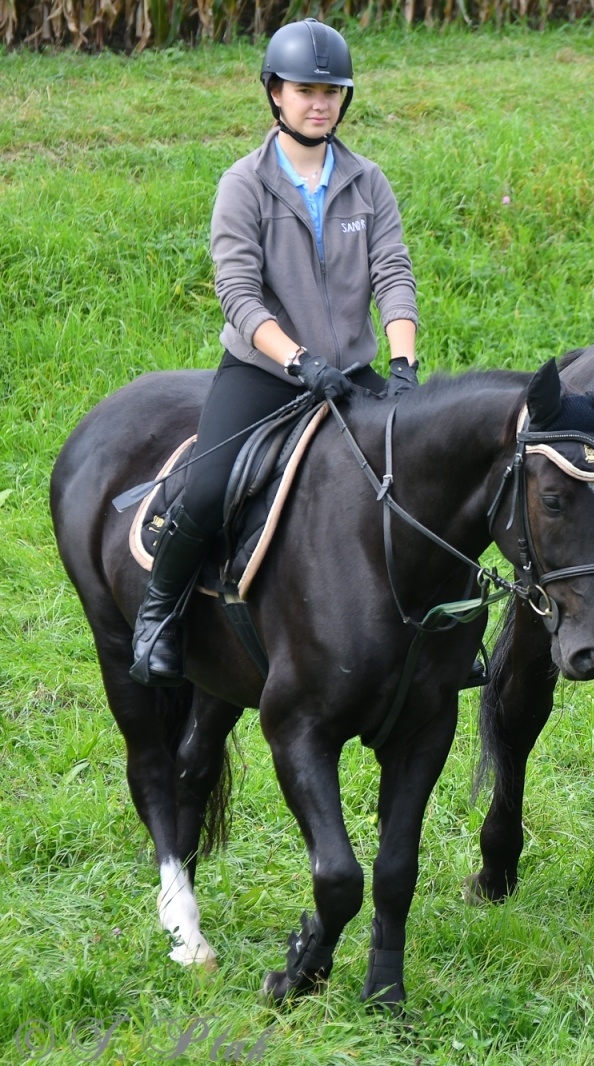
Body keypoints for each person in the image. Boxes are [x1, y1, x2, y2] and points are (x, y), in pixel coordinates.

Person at [129, 18, 421, 686]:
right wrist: (298, 362)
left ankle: (434, 634)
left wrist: (402, 367)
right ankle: (158, 616)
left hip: (350, 373)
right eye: (304, 89)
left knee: (421, 476)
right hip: (266, 372)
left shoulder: (368, 182)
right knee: (204, 491)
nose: (319, 102)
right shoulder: (244, 183)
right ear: (275, 94)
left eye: (332, 91)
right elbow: (238, 294)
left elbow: (394, 277)